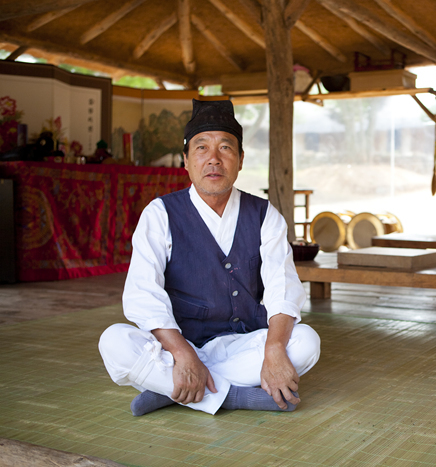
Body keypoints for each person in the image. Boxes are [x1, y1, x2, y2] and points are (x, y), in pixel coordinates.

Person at [99, 99, 321, 416]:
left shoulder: (263, 214)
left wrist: (272, 349)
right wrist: (182, 352)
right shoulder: (161, 213)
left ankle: (173, 390)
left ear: (241, 159)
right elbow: (142, 292)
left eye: (226, 148)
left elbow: (281, 286)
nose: (213, 159)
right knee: (114, 341)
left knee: (306, 342)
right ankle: (235, 397)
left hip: (243, 342)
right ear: (186, 161)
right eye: (201, 148)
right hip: (179, 346)